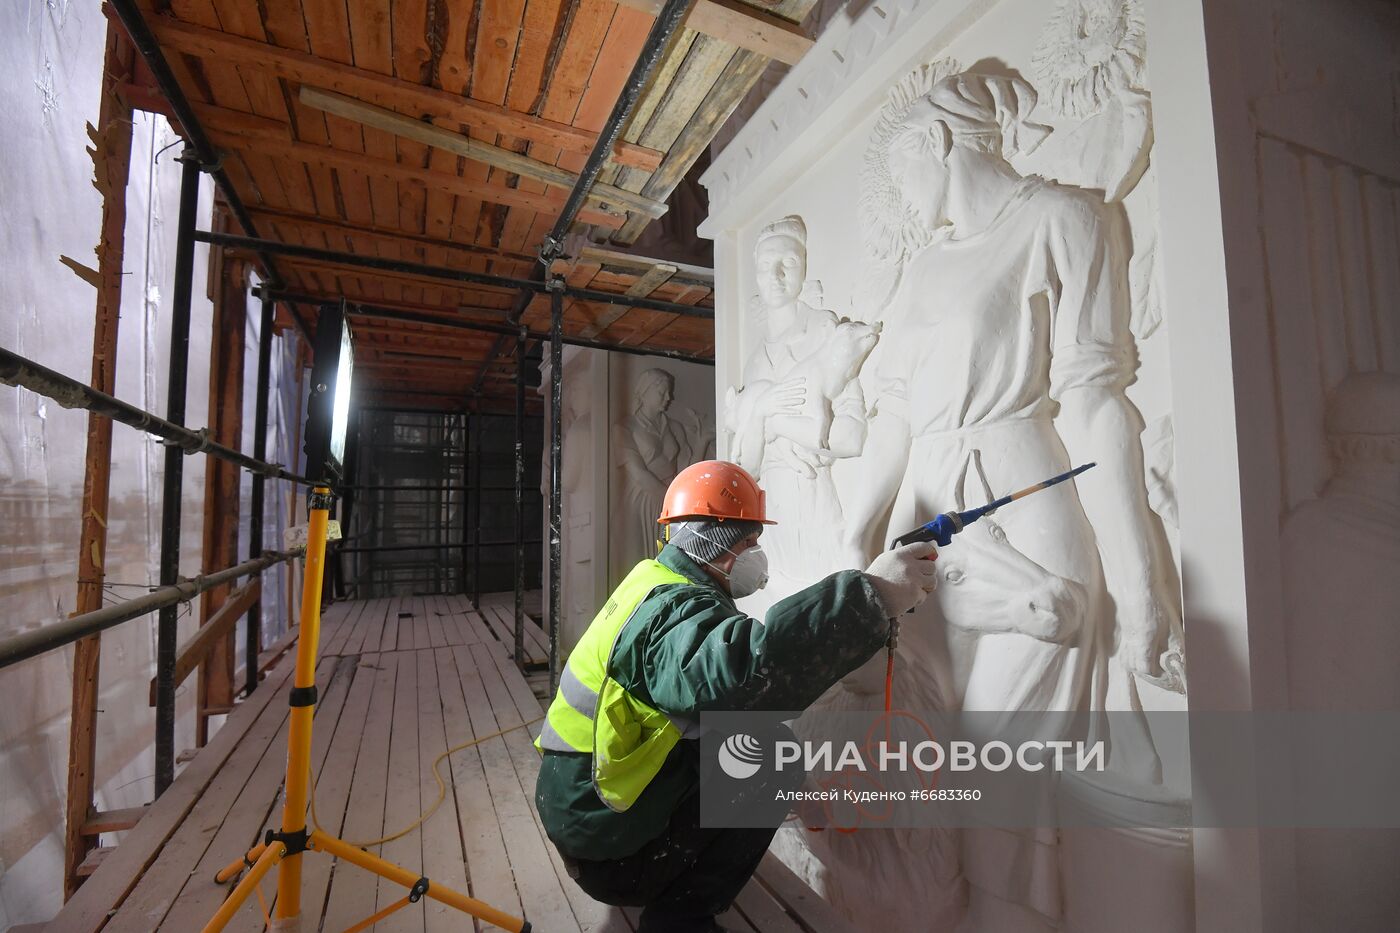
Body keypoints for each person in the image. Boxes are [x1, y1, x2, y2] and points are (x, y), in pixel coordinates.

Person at [534, 460, 938, 932]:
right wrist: (871, 595)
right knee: (771, 757)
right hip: (609, 846)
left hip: (587, 813)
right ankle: (680, 918)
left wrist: (807, 802)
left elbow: (721, 713)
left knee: (759, 743)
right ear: (716, 544)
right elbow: (743, 674)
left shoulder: (657, 583)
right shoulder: (674, 613)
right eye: (750, 543)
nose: (757, 555)